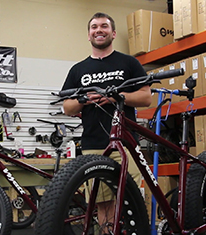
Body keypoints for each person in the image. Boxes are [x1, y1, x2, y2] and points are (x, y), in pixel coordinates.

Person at [61, 12, 152, 233]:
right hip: (93, 143)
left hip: (126, 142)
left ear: (113, 33)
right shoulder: (78, 70)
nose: (98, 30)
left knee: (131, 199)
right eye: (94, 27)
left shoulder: (128, 62)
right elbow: (67, 107)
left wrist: (117, 96)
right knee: (101, 202)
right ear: (88, 35)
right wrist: (84, 99)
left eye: (103, 26)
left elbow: (146, 97)